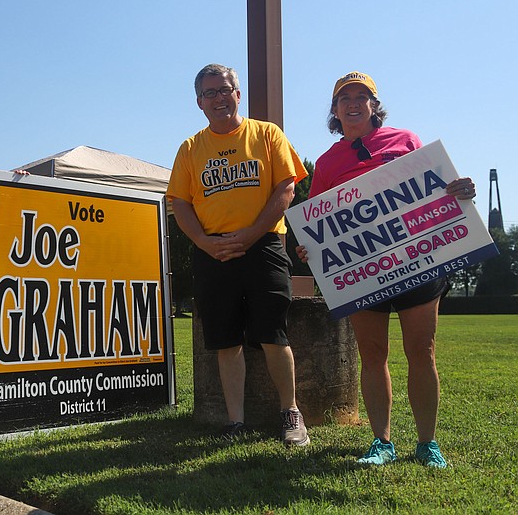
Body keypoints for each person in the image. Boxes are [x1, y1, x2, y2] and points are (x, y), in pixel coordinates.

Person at [297, 71, 476, 468]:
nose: (354, 103)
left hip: (418, 263)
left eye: (363, 96)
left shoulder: (407, 140)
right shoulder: (326, 163)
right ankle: (382, 441)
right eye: (345, 98)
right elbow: (316, 227)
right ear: (335, 110)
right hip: (363, 273)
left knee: (422, 351)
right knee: (373, 353)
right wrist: (310, 249)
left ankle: (427, 443)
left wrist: (460, 190)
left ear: (375, 105)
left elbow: (438, 189)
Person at [167, 63, 310, 445]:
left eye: (225, 89)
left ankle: (290, 414)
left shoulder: (266, 134)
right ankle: (236, 423)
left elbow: (286, 189)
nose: (218, 98)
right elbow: (179, 203)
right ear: (198, 102)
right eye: (209, 93)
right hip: (213, 251)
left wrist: (250, 235)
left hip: (263, 246)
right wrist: (202, 242)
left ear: (238, 93)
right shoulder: (191, 148)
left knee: (273, 334)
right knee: (225, 341)